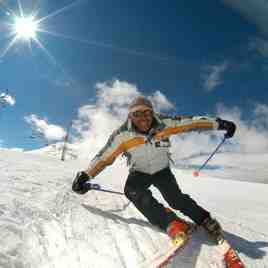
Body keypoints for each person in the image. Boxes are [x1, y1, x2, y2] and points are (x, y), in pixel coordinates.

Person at [72, 96, 236, 244]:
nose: (143, 117)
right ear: (130, 116)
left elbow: (193, 122)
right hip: (139, 172)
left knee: (175, 199)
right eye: (137, 114)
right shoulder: (122, 135)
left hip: (162, 171)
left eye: (147, 112)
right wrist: (86, 175)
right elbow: (104, 156)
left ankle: (205, 219)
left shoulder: (165, 124)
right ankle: (169, 222)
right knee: (132, 190)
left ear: (152, 113)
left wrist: (220, 123)